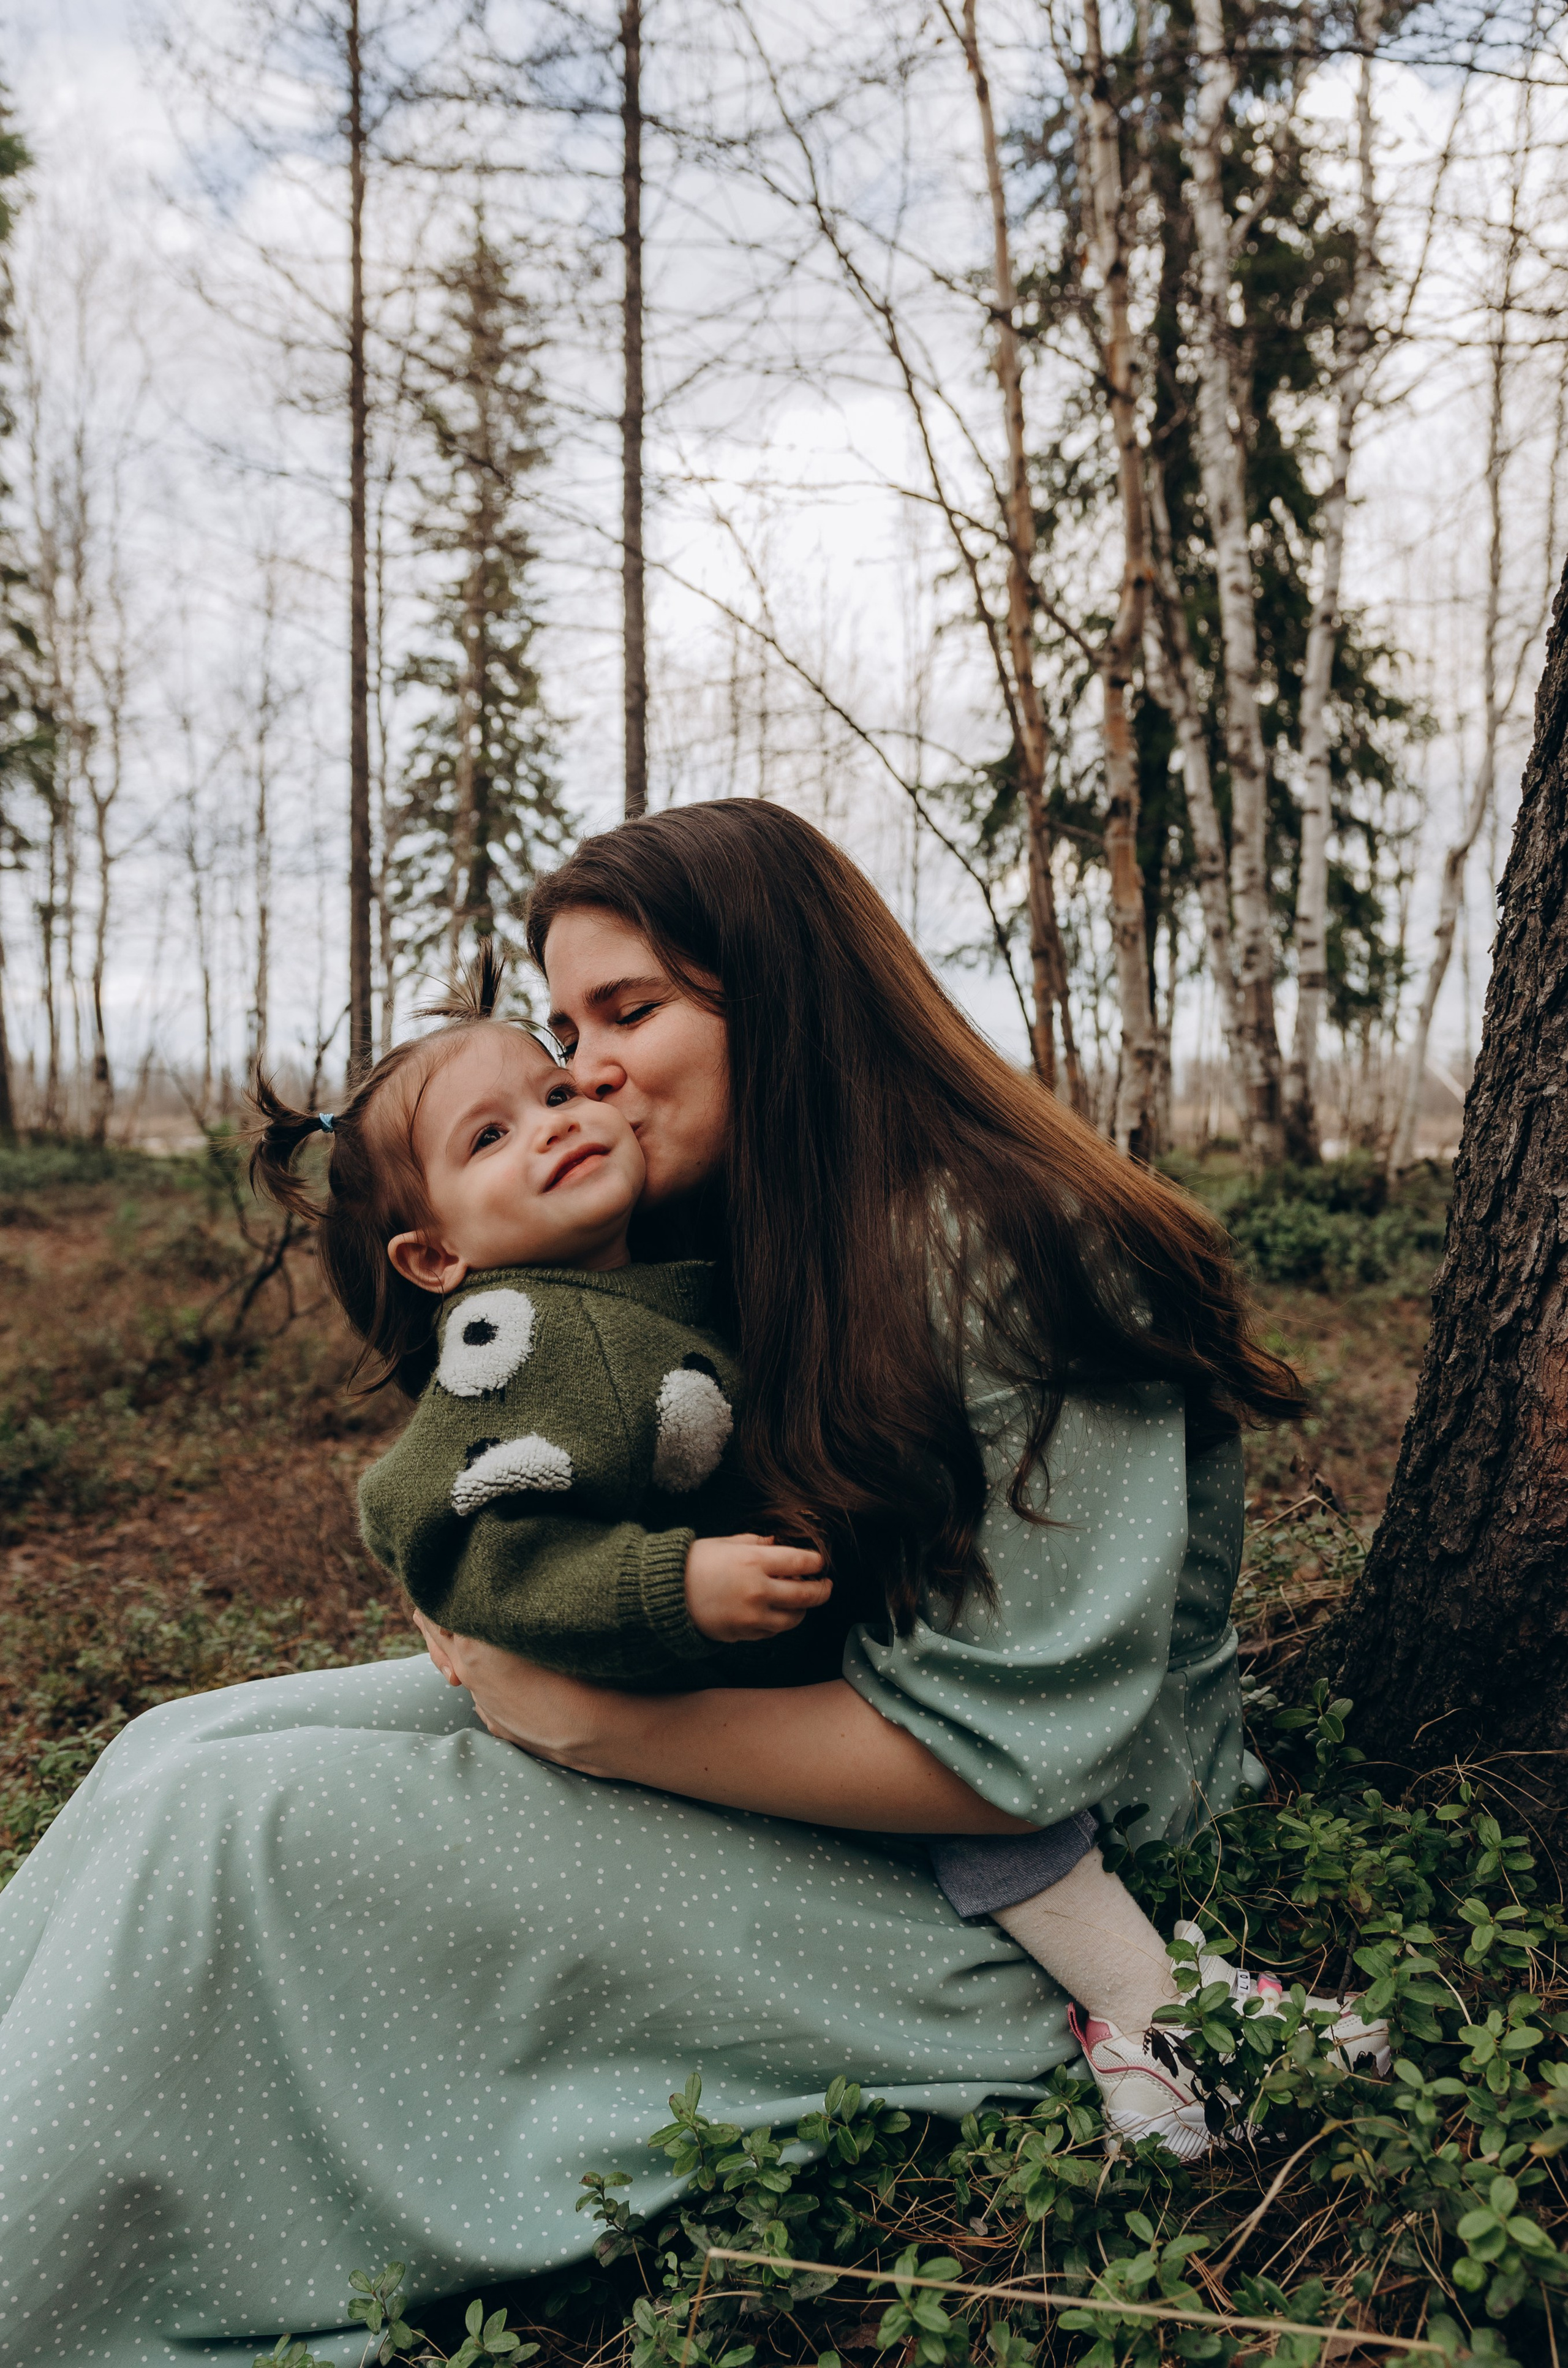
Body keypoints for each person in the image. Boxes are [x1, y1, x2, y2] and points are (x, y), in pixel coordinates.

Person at [0, 801, 1350, 2364]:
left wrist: (587, 1721)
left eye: (628, 1012)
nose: (582, 1070)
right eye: (565, 1027)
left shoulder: (1021, 1246)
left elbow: (1022, 1760)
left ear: (783, 992)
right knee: (176, 1744)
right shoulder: (759, 1227)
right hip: (832, 1757)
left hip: (1039, 1886)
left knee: (235, 1835)